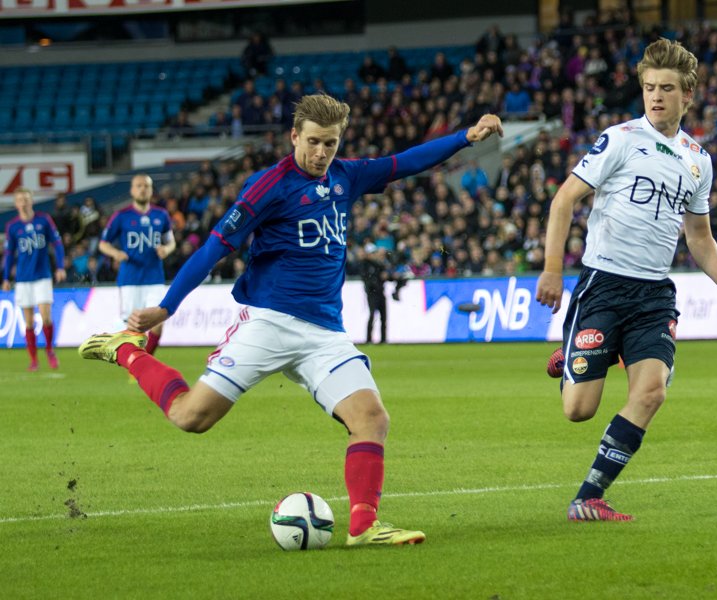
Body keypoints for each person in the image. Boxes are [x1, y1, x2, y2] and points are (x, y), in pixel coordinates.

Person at [79, 94, 503, 546]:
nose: (322, 154)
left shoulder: (347, 176)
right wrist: (167, 307)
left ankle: (363, 527)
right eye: (315, 143)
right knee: (191, 417)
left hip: (325, 334)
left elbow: (404, 162)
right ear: (295, 136)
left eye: (331, 145)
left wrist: (465, 137)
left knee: (371, 419)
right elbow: (214, 248)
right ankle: (124, 350)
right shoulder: (268, 186)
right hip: (269, 323)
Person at [535, 39, 717, 522]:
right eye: (650, 87)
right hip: (604, 285)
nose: (656, 96)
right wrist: (552, 268)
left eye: (667, 88)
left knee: (652, 392)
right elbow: (563, 200)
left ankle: (589, 496)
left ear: (688, 94)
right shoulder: (620, 138)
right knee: (578, 410)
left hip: (654, 293)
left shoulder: (699, 160)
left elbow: (698, 235)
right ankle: (578, 356)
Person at [98, 174, 175, 356]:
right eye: (139, 186)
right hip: (130, 278)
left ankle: (144, 360)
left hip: (154, 277)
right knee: (131, 326)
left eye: (146, 186)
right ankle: (135, 362)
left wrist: (166, 249)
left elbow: (171, 242)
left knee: (158, 324)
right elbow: (103, 243)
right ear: (132, 190)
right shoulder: (121, 216)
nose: (142, 189)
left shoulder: (161, 215)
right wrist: (116, 253)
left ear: (150, 190)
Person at [2, 187, 66, 371]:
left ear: (31, 201)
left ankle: (50, 350)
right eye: (20, 200)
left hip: (43, 276)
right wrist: (6, 278)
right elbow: (9, 254)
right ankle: (34, 360)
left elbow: (57, 243)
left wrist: (60, 267)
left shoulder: (44, 220)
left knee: (46, 317)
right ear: (16, 204)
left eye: (26, 199)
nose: (23, 203)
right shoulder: (13, 226)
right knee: (28, 321)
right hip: (23, 279)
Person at [360, 245, 389, 344]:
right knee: (372, 315)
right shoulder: (365, 264)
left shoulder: (378, 264)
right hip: (372, 293)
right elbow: (366, 279)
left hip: (380, 292)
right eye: (372, 253)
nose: (374, 255)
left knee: (383, 316)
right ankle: (368, 339)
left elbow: (385, 275)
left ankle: (383, 339)